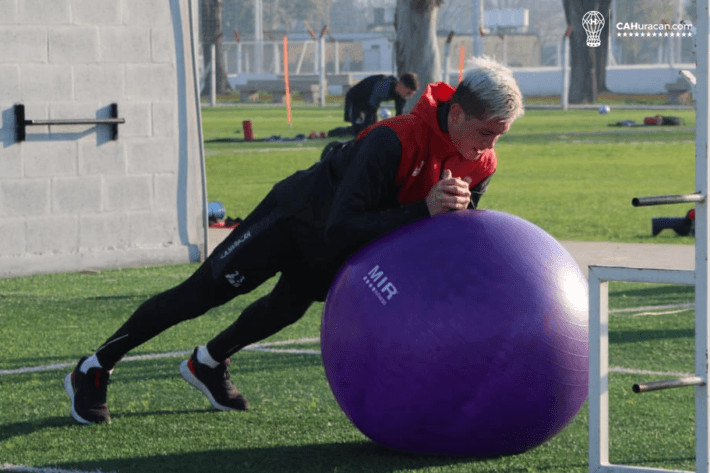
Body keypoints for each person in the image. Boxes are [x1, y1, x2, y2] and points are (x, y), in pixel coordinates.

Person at [64, 57, 524, 425]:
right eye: (486, 133)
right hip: (296, 217)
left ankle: (207, 362)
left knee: (286, 309)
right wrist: (424, 209)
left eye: (499, 137)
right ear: (457, 112)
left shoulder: (482, 162)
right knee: (203, 294)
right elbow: (342, 225)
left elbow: (453, 232)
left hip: (338, 244)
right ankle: (94, 367)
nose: (488, 148)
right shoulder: (393, 139)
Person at [342, 72, 419, 135]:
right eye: (408, 93)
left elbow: (399, 117)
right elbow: (371, 110)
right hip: (354, 99)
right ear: (401, 85)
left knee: (373, 130)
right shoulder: (383, 87)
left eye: (411, 94)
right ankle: (331, 134)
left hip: (368, 103)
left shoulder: (401, 95)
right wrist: (365, 130)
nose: (409, 96)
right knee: (359, 131)